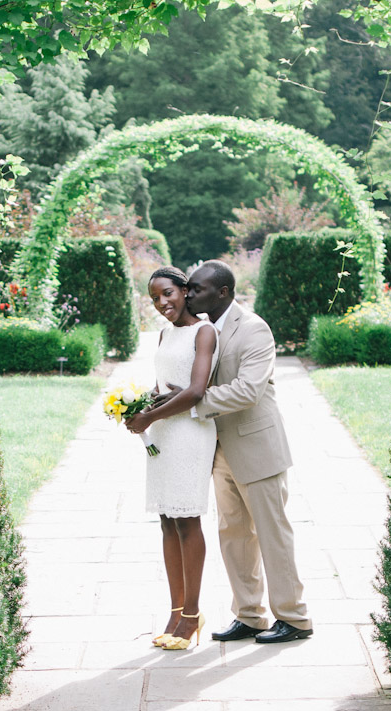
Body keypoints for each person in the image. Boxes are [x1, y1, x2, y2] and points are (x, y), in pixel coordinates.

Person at [159, 259, 313, 644]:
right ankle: (250, 615)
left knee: (272, 534)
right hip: (218, 448)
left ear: (222, 292)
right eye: (189, 288)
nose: (189, 294)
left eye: (197, 289)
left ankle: (294, 619)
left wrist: (193, 403)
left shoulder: (254, 329)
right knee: (234, 535)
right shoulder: (206, 329)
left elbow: (248, 391)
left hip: (257, 447)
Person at [126, 266, 218, 650]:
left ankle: (194, 615)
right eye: (154, 299)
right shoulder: (164, 333)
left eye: (167, 293)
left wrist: (150, 415)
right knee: (167, 521)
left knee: (187, 519)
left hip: (190, 433)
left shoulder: (204, 331)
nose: (162, 303)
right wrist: (134, 407)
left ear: (184, 290)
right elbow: (163, 384)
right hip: (163, 434)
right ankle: (176, 611)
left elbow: (196, 390)